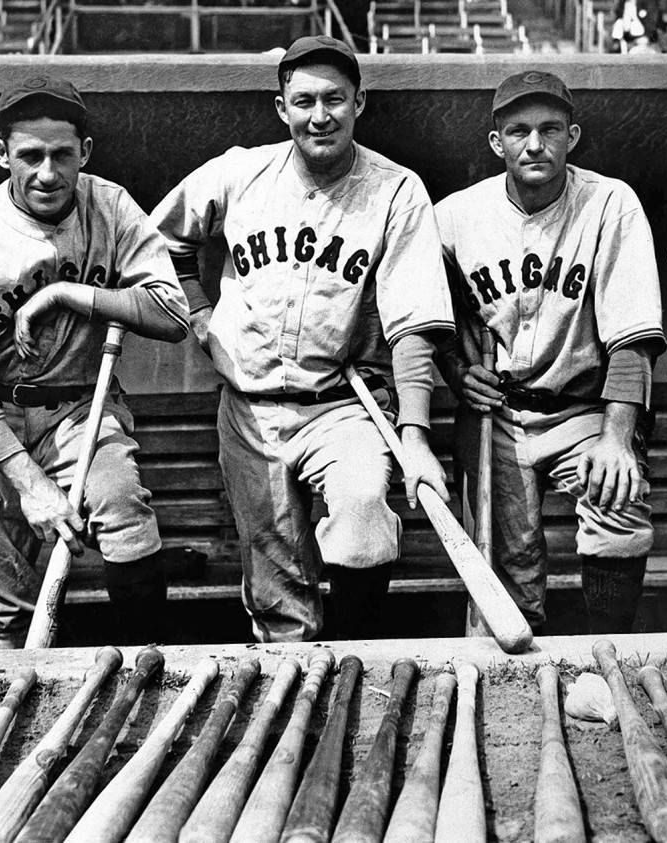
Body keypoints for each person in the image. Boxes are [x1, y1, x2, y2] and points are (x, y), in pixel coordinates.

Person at [151, 35, 454, 642]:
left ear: (360, 102)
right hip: (250, 409)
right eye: (305, 101)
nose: (321, 116)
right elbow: (157, 245)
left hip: (344, 405)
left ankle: (355, 664)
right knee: (274, 584)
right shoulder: (239, 173)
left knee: (365, 511)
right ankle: (294, 694)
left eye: (335, 100)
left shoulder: (396, 190)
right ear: (281, 107)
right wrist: (203, 317)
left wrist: (415, 439)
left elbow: (415, 324)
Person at [0, 75, 190, 648]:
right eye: (30, 156)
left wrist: (68, 294)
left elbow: (171, 315)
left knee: (126, 519)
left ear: (83, 152)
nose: (47, 172)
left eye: (62, 155)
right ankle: (14, 704)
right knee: (6, 606)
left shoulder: (110, 206)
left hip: (76, 410)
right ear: (1, 154)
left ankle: (148, 671)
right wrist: (33, 486)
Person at [435, 71, 666, 633]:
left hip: (584, 408)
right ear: (497, 143)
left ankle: (611, 656)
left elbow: (635, 336)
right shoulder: (455, 216)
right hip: (500, 414)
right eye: (518, 131)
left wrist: (616, 437)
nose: (534, 144)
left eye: (549, 130)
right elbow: (422, 316)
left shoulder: (611, 203)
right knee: (510, 569)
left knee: (618, 502)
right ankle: (518, 687)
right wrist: (457, 370)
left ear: (573, 136)